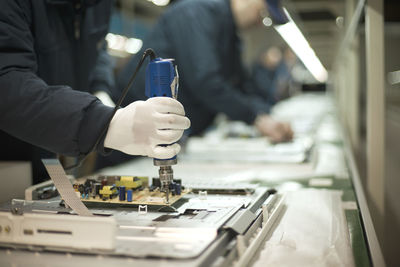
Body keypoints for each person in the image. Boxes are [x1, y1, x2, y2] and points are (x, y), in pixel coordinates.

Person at [0, 0, 190, 184]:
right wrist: (103, 123)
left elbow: (98, 48)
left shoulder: (97, 4)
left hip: (56, 144)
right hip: (9, 158)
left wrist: (100, 89)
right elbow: (7, 82)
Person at [117, 0, 293, 143]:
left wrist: (265, 114)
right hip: (136, 127)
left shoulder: (230, 35)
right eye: (262, 14)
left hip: (170, 130)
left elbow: (242, 86)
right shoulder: (195, 13)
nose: (260, 24)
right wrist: (255, 117)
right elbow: (205, 80)